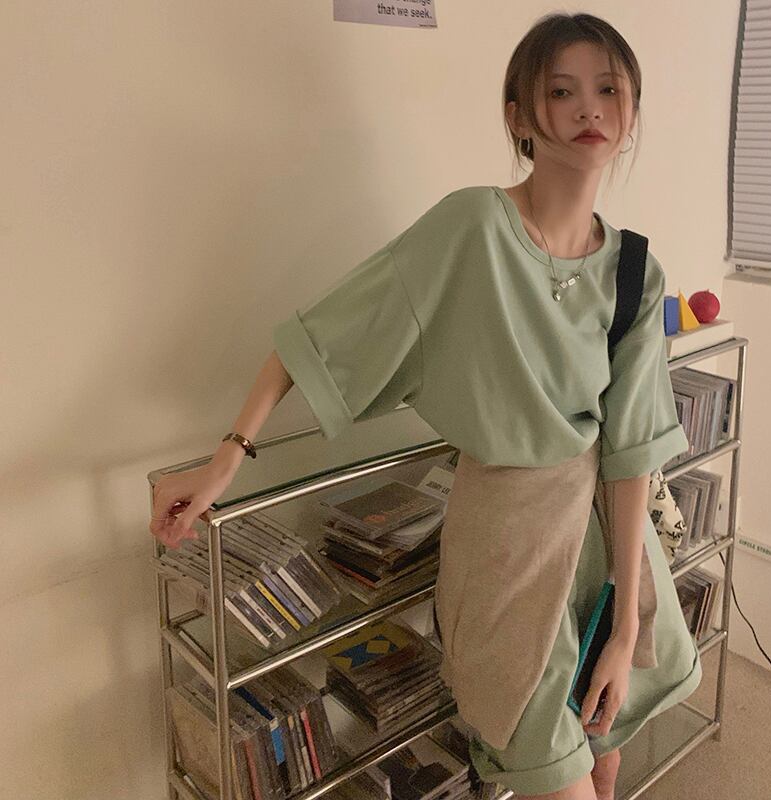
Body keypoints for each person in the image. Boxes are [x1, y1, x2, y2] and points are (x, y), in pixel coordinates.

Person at [150, 12, 702, 800]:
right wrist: (224, 459)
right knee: (549, 764)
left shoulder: (636, 271)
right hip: (505, 549)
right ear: (519, 116)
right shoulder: (472, 227)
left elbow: (631, 449)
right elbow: (321, 338)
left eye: (608, 90)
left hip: (605, 545)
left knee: (604, 752)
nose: (589, 108)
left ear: (632, 112)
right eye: (561, 91)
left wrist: (625, 627)